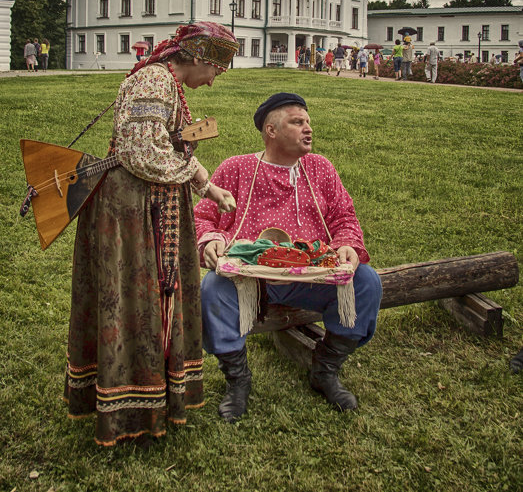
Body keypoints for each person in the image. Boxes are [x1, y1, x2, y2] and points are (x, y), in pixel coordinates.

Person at [64, 22, 238, 446]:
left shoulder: (166, 82)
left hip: (150, 202)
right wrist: (193, 178)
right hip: (131, 210)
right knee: (135, 297)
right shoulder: (153, 78)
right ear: (196, 57)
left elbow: (167, 145)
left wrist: (207, 186)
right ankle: (131, 404)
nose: (213, 79)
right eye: (215, 68)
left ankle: (153, 397)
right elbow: (142, 153)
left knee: (153, 296)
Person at [195, 93, 382, 423]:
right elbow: (203, 217)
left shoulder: (320, 168)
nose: (308, 128)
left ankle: (325, 370)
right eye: (297, 122)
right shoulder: (237, 168)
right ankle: (237, 382)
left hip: (313, 277)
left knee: (366, 281)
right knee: (212, 290)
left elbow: (344, 217)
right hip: (250, 279)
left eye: (308, 122)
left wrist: (347, 245)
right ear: (271, 130)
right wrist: (209, 240)